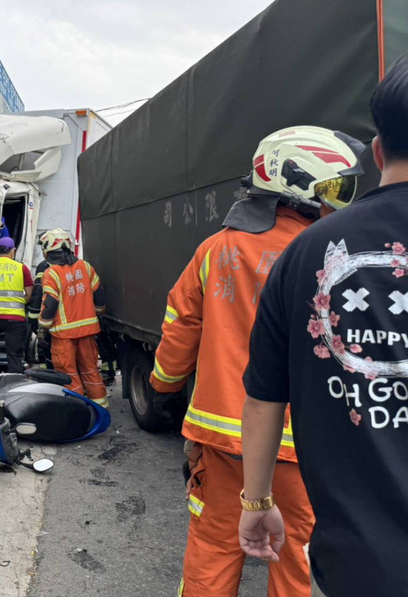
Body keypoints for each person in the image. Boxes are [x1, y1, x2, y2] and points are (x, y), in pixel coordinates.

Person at [150, 126, 366, 596]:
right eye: (335, 188)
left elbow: (181, 330)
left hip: (225, 437)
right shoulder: (336, 255)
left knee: (213, 549)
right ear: (305, 183)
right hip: (311, 446)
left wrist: (162, 386)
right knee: (299, 564)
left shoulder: (215, 250)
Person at [240, 62, 408, 597]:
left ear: (378, 150)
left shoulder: (306, 253)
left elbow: (264, 397)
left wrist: (257, 502)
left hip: (361, 568)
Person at [38, 228, 108, 406]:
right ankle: (101, 406)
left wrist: (43, 326)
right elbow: (99, 294)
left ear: (48, 249)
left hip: (64, 335)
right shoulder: (85, 267)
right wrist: (98, 313)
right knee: (91, 370)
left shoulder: (51, 273)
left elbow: (50, 304)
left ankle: (78, 410)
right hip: (88, 331)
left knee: (68, 374)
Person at [0, 236, 33, 373]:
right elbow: (29, 294)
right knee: (14, 356)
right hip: (14, 321)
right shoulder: (22, 268)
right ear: (13, 251)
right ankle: (14, 383)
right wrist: (19, 302)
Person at [27, 251, 53, 369]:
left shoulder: (43, 266)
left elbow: (37, 292)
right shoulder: (78, 266)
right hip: (66, 320)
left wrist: (33, 318)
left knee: (45, 344)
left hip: (47, 314)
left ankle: (46, 369)